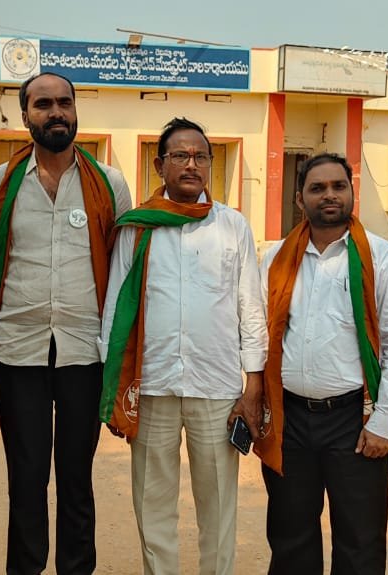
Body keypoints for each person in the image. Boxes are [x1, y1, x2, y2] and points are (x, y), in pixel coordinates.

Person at [0, 71, 132, 575]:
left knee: (77, 479)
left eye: (65, 102)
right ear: (25, 116)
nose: (56, 112)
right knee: (26, 478)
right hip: (19, 350)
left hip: (86, 351)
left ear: (75, 111)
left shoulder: (110, 184)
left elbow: (122, 267)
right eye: (43, 104)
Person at [100, 117, 266, 575]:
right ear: (159, 165)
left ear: (210, 164)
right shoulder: (137, 228)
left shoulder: (232, 226)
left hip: (216, 388)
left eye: (200, 156)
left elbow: (251, 308)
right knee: (152, 503)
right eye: (180, 156)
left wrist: (253, 385)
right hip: (151, 386)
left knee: (219, 505)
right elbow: (115, 309)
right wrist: (113, 390)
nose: (192, 165)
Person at [255, 153, 388, 575]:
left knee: (360, 542)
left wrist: (385, 422)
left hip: (354, 420)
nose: (329, 195)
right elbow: (257, 334)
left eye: (338, 186)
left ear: (351, 192)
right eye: (317, 188)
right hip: (289, 419)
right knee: (290, 538)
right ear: (300, 199)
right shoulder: (276, 259)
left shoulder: (381, 259)